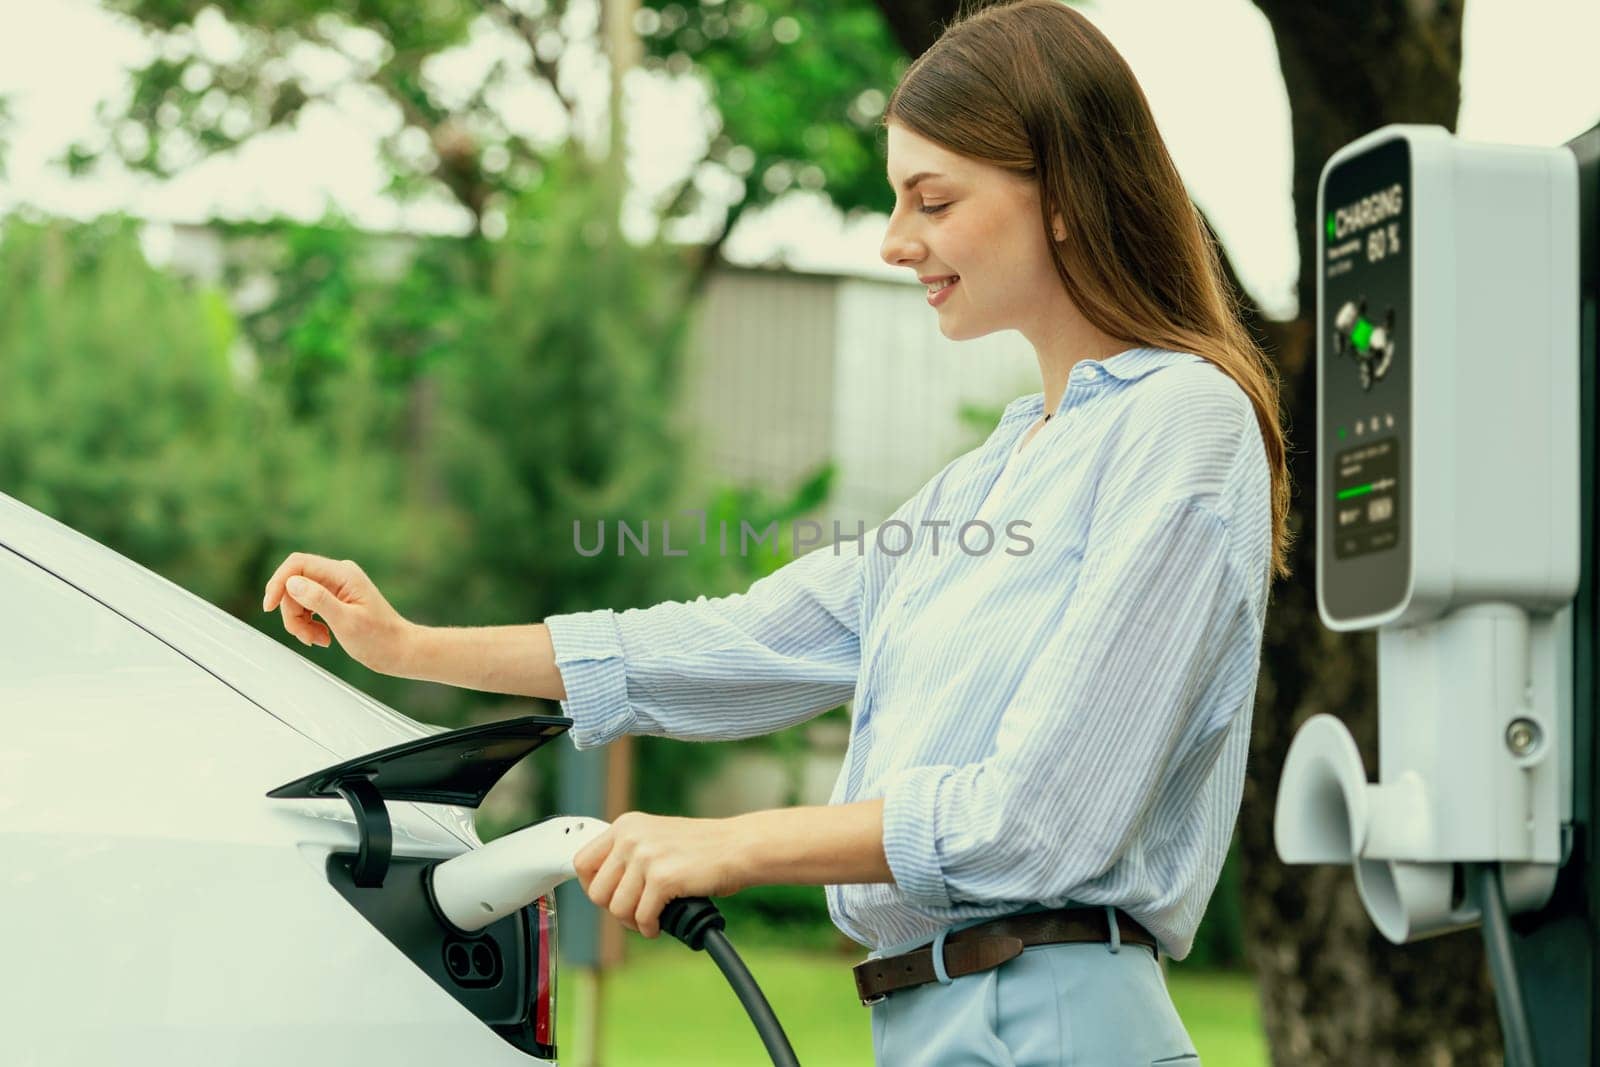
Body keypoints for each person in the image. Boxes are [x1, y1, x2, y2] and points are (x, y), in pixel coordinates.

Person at [261, 1, 1290, 1061]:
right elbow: (742, 641)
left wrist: (730, 846)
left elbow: (1035, 818)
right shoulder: (985, 478)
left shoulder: (1180, 421)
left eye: (931, 200)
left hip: (1051, 1022)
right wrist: (415, 645)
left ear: (1066, 190)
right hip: (932, 1022)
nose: (897, 241)